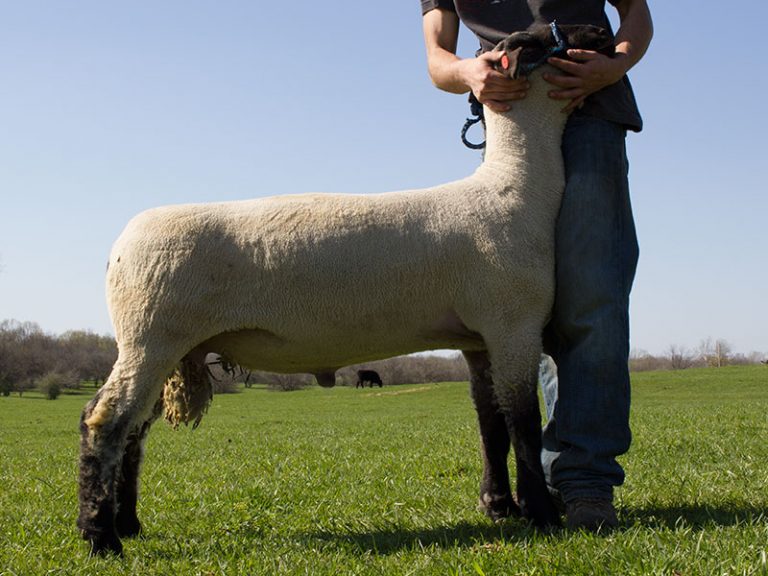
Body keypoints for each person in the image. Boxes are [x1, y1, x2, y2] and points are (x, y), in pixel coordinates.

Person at [421, 0, 653, 530]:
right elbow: (438, 59)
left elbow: (636, 12)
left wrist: (615, 64)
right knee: (526, 309)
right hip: (513, 123)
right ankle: (549, 475)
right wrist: (467, 72)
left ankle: (586, 481)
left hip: (589, 109)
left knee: (590, 295)